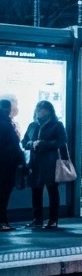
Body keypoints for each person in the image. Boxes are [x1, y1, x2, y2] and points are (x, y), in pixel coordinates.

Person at [21, 100, 69, 229]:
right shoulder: (32, 125)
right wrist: (32, 144)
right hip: (34, 163)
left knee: (52, 191)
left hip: (50, 163)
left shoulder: (57, 125)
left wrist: (43, 144)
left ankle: (53, 220)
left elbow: (62, 141)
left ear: (50, 111)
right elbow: (24, 141)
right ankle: (37, 219)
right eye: (39, 109)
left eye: (44, 109)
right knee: (36, 191)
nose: (41, 112)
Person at [0, 97, 24, 232]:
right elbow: (14, 144)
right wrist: (22, 160)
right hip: (6, 164)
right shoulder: (6, 123)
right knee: (4, 193)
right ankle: (2, 221)